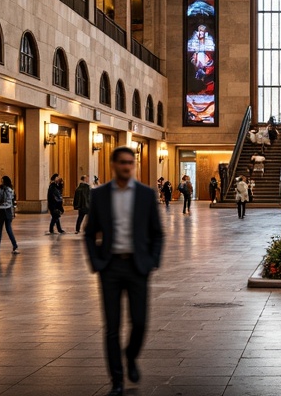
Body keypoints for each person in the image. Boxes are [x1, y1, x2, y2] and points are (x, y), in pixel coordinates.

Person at [84, 147, 164, 396]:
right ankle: (117, 381)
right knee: (112, 326)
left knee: (139, 322)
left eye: (131, 162)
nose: (127, 166)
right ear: (113, 165)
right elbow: (89, 233)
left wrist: (152, 261)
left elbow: (157, 233)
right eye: (122, 162)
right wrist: (97, 263)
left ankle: (130, 356)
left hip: (137, 267)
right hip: (111, 267)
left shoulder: (145, 195)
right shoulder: (100, 195)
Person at [0, 175, 19, 254]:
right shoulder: (11, 190)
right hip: (8, 210)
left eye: (2, 181)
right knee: (8, 229)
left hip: (1, 210)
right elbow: (12, 201)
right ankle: (15, 245)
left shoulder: (1, 190)